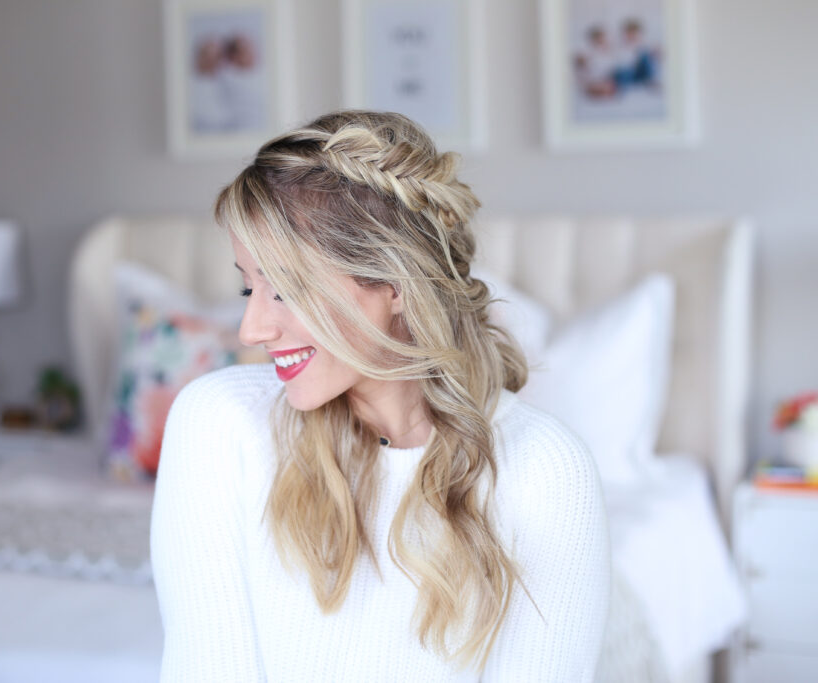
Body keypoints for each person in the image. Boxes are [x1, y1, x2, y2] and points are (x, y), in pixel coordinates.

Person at [151, 110, 610, 681]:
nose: (251, 329)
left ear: (394, 286)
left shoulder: (544, 470)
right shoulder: (219, 425)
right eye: (249, 285)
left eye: (286, 289)